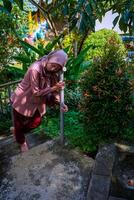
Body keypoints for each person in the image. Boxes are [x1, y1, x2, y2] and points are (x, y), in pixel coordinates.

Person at [11, 50, 68, 152]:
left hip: (36, 101)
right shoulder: (35, 69)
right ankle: (21, 141)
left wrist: (60, 103)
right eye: (53, 65)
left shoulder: (52, 72)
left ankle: (17, 132)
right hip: (22, 99)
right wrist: (53, 88)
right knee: (18, 122)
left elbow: (56, 89)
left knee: (36, 122)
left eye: (57, 67)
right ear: (50, 58)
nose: (54, 68)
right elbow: (36, 92)